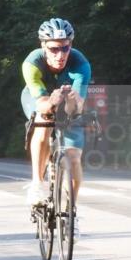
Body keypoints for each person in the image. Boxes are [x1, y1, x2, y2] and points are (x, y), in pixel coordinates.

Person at [21, 18, 91, 215]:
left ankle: (71, 212)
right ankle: (37, 183)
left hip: (67, 100)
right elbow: (42, 104)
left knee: (74, 156)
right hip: (39, 98)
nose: (60, 55)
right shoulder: (32, 63)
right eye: (53, 49)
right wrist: (52, 102)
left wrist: (71, 101)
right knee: (43, 120)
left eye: (65, 48)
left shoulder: (80, 64)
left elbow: (76, 109)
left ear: (71, 45)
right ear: (43, 46)